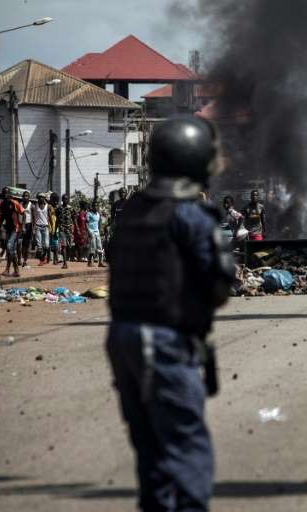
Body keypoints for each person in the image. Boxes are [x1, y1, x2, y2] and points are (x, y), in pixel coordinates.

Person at [107, 115, 235, 512]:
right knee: (186, 444)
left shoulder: (132, 211)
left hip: (123, 337)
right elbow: (218, 285)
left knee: (151, 449)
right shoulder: (190, 217)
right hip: (163, 340)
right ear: (196, 162)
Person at [0, 187, 22, 277]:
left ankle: (7, 269)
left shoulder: (14, 203)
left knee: (9, 247)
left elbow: (22, 213)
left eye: (7, 193)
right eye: (4, 194)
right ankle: (16, 270)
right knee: (12, 250)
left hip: (15, 229)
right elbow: (2, 217)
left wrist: (22, 226)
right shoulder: (2, 205)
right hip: (8, 229)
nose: (5, 195)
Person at [57, 194, 77, 269]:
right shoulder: (59, 209)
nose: (65, 200)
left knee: (70, 246)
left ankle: (67, 258)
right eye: (64, 199)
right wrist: (55, 228)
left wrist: (77, 229)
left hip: (69, 229)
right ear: (62, 200)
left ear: (68, 200)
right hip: (62, 229)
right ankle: (65, 263)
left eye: (66, 199)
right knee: (63, 246)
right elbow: (57, 220)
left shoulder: (71, 209)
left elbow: (74, 219)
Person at [31, 194, 50, 265]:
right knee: (39, 246)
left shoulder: (48, 206)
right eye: (39, 198)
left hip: (46, 226)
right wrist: (33, 227)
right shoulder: (35, 206)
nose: (40, 199)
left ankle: (44, 257)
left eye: (42, 197)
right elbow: (33, 217)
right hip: (38, 226)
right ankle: (41, 260)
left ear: (44, 198)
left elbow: (50, 216)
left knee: (46, 245)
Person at [87, 201, 105, 267]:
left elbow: (99, 222)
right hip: (91, 232)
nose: (96, 207)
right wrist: (88, 231)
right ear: (92, 206)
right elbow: (86, 223)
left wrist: (100, 230)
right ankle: (89, 262)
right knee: (93, 247)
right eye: (94, 206)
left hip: (97, 232)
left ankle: (100, 262)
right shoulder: (89, 214)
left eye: (97, 206)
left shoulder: (98, 214)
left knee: (100, 247)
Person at [18, 191, 33, 267]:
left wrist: (34, 229)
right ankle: (19, 259)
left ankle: (25, 261)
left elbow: (33, 217)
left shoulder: (31, 205)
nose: (25, 197)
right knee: (19, 243)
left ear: (29, 197)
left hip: (29, 225)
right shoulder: (19, 205)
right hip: (20, 225)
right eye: (24, 196)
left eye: (27, 196)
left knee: (27, 245)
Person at [48, 193, 60, 265]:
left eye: (56, 201)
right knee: (49, 244)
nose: (55, 202)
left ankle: (56, 259)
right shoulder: (49, 207)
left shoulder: (58, 207)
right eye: (54, 200)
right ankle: (50, 258)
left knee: (56, 244)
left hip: (57, 227)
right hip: (50, 226)